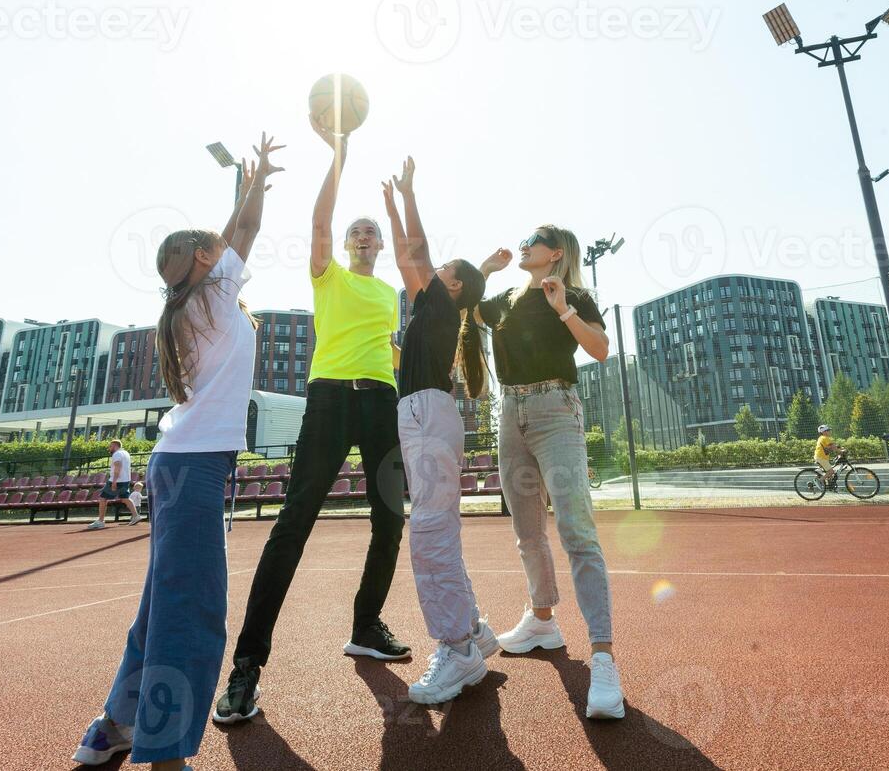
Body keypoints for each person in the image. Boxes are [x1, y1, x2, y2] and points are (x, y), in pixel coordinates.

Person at [72, 134, 282, 771]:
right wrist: (253, 186)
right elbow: (242, 225)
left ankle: (115, 727)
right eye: (212, 248)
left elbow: (232, 231)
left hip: (180, 464)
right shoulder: (212, 295)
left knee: (163, 606)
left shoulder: (190, 301)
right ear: (200, 258)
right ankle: (165, 755)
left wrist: (250, 186)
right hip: (190, 468)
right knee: (190, 613)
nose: (226, 250)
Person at [213, 115, 409, 725]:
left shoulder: (389, 294)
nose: (362, 233)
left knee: (390, 517)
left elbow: (395, 342)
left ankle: (365, 624)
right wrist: (340, 156)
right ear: (346, 245)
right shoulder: (328, 276)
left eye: (370, 230)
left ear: (379, 245)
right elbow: (321, 221)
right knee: (294, 521)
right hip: (328, 399)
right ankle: (247, 667)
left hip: (380, 401)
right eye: (357, 229)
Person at [475, 226, 625, 720]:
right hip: (509, 413)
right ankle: (542, 620)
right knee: (526, 531)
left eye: (534, 239)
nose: (524, 244)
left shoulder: (575, 293)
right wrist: (483, 273)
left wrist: (564, 308)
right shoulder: (506, 298)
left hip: (555, 409)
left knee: (575, 530)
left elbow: (600, 349)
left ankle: (603, 658)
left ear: (555, 253)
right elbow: (464, 309)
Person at [380, 157, 498, 705]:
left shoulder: (440, 303)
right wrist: (391, 202)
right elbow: (412, 255)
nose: (424, 271)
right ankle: (471, 630)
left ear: (450, 284)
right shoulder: (438, 311)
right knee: (438, 525)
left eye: (438, 269)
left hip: (425, 413)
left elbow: (415, 251)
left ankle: (457, 648)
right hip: (427, 412)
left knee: (429, 532)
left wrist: (407, 194)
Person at [87, 439, 136, 529]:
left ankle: (100, 521)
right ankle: (136, 516)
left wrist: (114, 481)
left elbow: (118, 467)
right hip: (125, 480)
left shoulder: (117, 454)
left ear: (114, 446)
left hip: (117, 480)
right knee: (125, 498)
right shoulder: (126, 453)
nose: (109, 448)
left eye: (110, 446)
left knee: (103, 498)